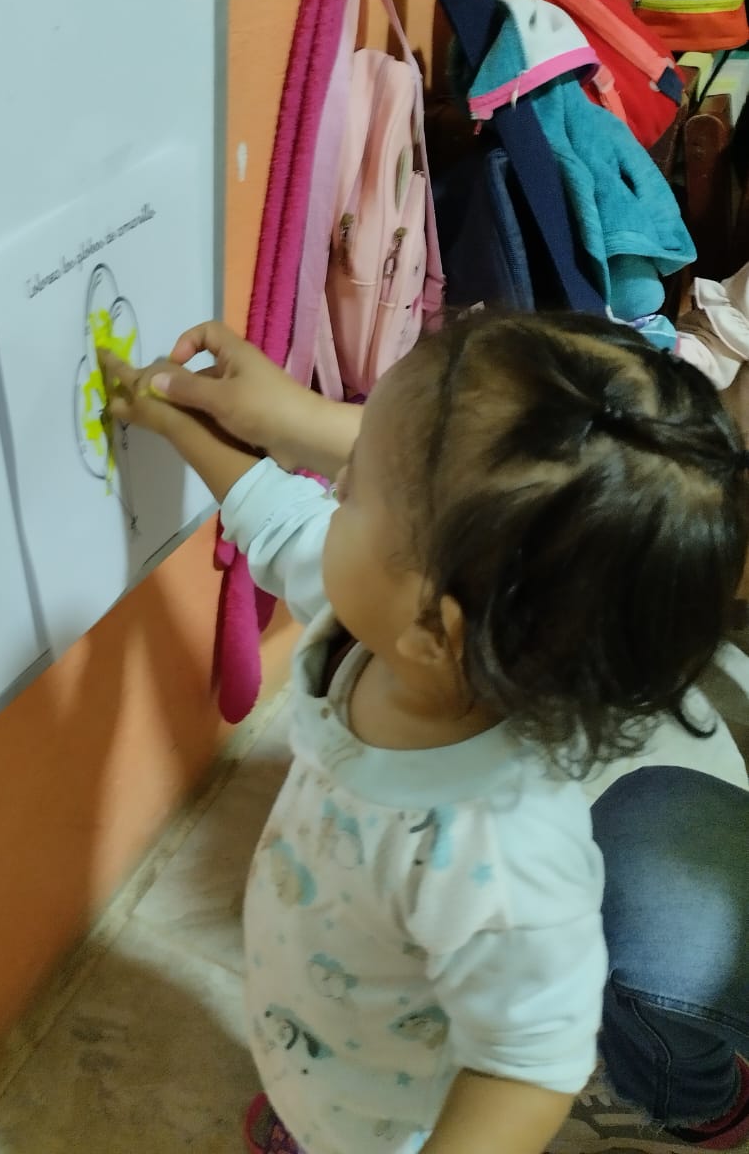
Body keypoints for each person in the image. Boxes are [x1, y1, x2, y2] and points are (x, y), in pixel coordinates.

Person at [102, 312, 749, 1154]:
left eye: (351, 490)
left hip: (397, 1112)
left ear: (435, 628)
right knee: (319, 1073)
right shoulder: (381, 635)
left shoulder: (503, 856)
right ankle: (310, 1098)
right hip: (329, 1014)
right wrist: (172, 420)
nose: (331, 484)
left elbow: (526, 1068)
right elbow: (280, 517)